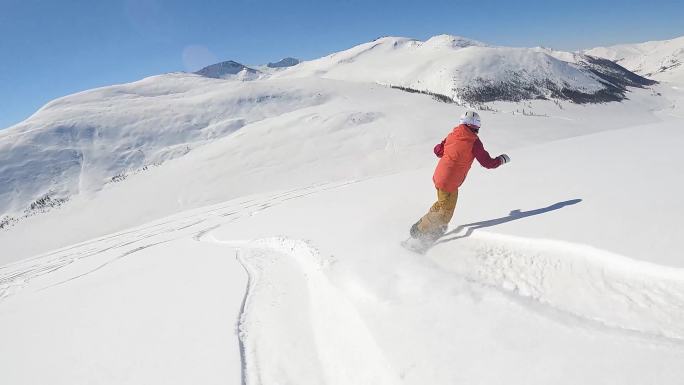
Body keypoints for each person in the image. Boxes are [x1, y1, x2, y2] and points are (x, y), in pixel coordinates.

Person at [410, 110, 510, 242]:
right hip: (450, 182)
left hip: (440, 176)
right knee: (445, 214)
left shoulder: (453, 134)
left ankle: (426, 225)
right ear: (476, 126)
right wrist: (502, 159)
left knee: (442, 204)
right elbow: (487, 163)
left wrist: (449, 150)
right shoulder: (474, 142)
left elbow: (438, 150)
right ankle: (420, 230)